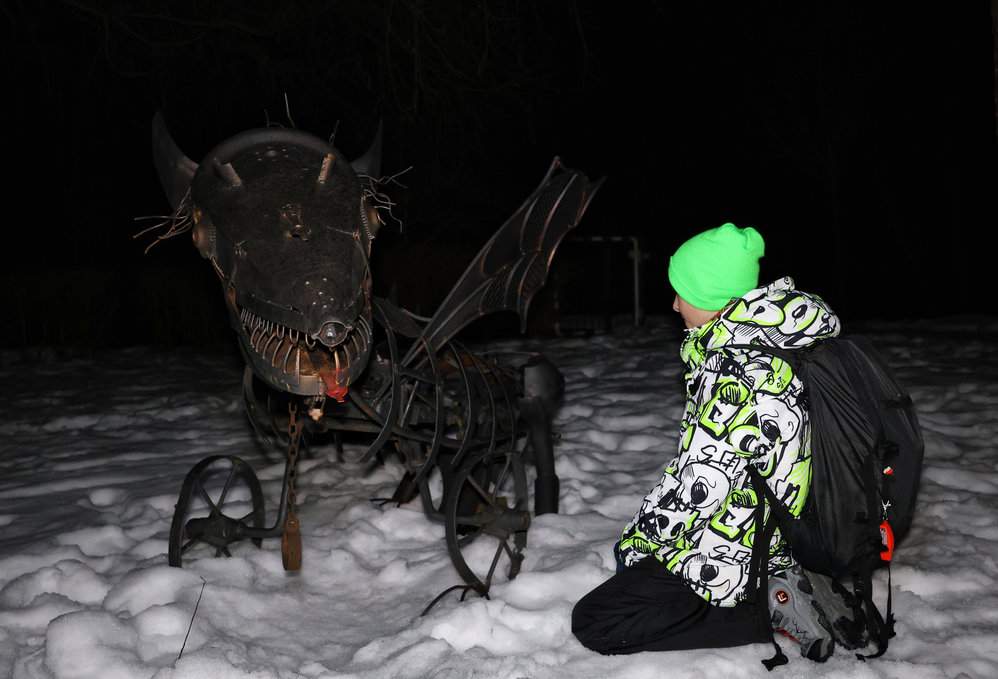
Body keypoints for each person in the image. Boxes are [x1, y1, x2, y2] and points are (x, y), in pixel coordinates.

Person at [572, 223, 848, 661]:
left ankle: (762, 610)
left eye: (684, 293)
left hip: (739, 543)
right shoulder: (771, 345)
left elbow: (698, 492)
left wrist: (638, 541)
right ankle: (775, 584)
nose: (675, 303)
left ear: (714, 299)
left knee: (596, 621)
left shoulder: (740, 376)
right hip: (772, 524)